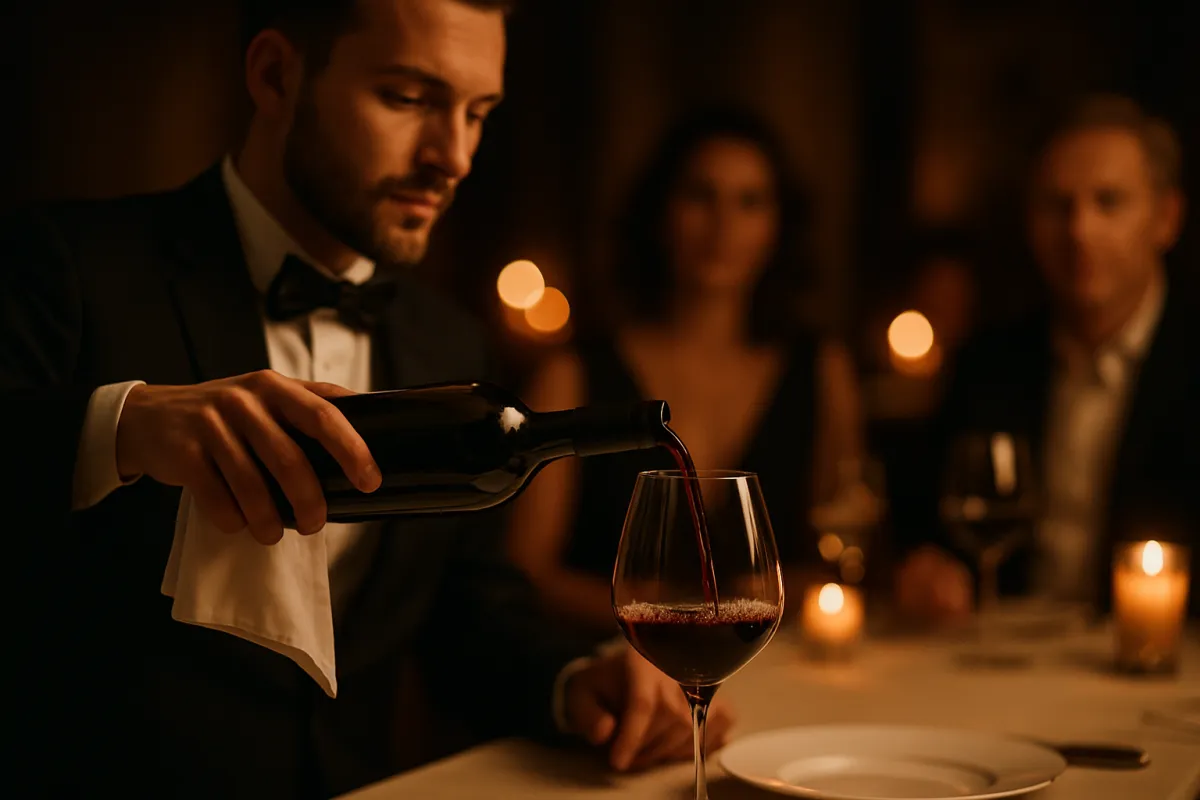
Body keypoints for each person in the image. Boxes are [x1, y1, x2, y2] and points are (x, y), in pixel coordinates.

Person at [0, 2, 732, 797]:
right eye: (409, 98)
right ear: (276, 75)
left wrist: (575, 680)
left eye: (478, 113)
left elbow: (467, 615)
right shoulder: (65, 267)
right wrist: (120, 427)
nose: (452, 157)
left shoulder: (447, 341)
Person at [506, 109, 864, 641]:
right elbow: (524, 574)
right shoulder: (573, 375)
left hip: (774, 665)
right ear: (659, 213)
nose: (723, 225)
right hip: (619, 671)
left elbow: (840, 543)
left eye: (750, 202)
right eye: (701, 196)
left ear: (777, 225)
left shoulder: (821, 371)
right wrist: (677, 620)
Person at [894, 94, 1200, 622]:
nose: (1079, 231)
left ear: (1166, 218)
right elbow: (924, 527)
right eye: (1058, 206)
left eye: (1108, 202)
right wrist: (922, 570)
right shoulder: (989, 362)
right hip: (1005, 667)